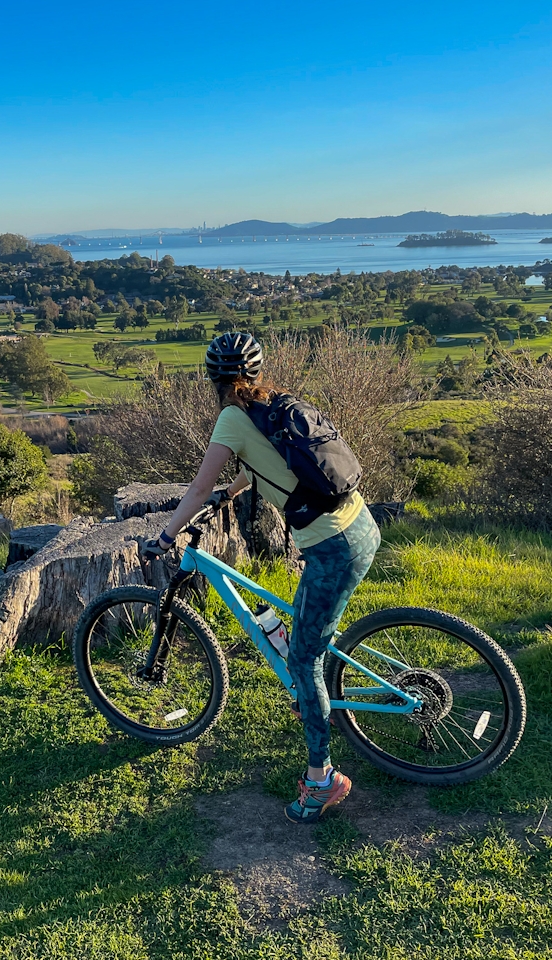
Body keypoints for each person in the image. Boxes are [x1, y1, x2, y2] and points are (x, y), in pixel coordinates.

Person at [144, 332, 381, 823]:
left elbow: (195, 489)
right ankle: (311, 699)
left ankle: (322, 781)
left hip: (332, 547)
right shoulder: (273, 403)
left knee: (304, 658)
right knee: (306, 635)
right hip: (360, 524)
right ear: (254, 372)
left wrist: (166, 537)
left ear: (213, 380)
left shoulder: (232, 417)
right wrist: (233, 491)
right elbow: (269, 464)